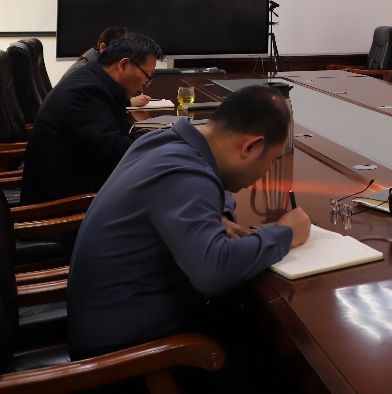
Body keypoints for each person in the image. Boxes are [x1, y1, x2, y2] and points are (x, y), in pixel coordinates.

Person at [68, 84, 311, 390]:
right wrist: (285, 233)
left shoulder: (165, 141)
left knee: (248, 325)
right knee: (285, 368)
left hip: (119, 324)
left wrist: (219, 215)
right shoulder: (185, 174)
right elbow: (215, 271)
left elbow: (208, 189)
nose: (265, 173)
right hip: (126, 361)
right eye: (272, 161)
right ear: (250, 147)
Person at [21, 31, 161, 205]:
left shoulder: (96, 80)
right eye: (147, 77)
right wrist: (158, 136)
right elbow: (113, 151)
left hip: (84, 185)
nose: (145, 86)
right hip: (64, 206)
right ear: (124, 65)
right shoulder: (85, 92)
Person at [63, 25, 151, 107]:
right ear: (103, 48)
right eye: (119, 53)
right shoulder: (80, 71)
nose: (122, 60)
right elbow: (90, 106)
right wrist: (128, 103)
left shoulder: (102, 71)